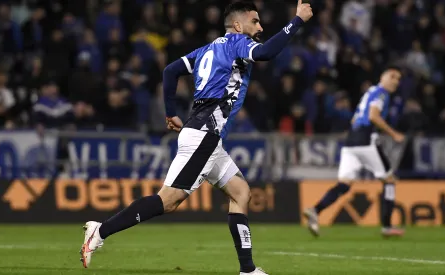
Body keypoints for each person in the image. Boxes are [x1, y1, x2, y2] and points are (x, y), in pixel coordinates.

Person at [79, 1, 314, 274]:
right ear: (238, 26)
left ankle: (248, 270)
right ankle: (100, 231)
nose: (260, 27)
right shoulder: (237, 42)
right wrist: (297, 20)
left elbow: (170, 71)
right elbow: (266, 53)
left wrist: (170, 113)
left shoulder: (208, 49)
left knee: (240, 192)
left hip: (204, 133)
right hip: (204, 134)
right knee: (167, 201)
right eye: (255, 21)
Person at [303, 67, 406, 238]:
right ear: (383, 77)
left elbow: (355, 118)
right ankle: (387, 227)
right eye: (393, 76)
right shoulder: (381, 94)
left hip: (351, 141)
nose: (396, 81)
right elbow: (373, 116)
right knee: (389, 180)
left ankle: (315, 210)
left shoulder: (370, 92)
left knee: (344, 183)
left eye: (399, 78)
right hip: (365, 140)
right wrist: (394, 134)